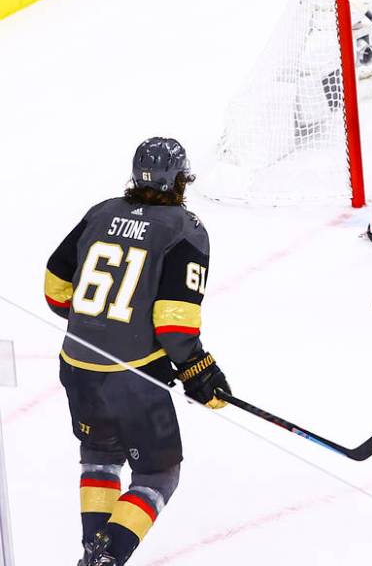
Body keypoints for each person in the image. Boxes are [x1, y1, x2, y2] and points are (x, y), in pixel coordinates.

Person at [44, 138, 231, 565]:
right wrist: (199, 370)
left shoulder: (101, 212)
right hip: (131, 379)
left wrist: (98, 323)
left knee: (100, 457)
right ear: (181, 180)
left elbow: (56, 287)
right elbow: (174, 322)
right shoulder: (185, 228)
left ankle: (93, 555)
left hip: (76, 366)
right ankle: (107, 558)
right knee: (157, 474)